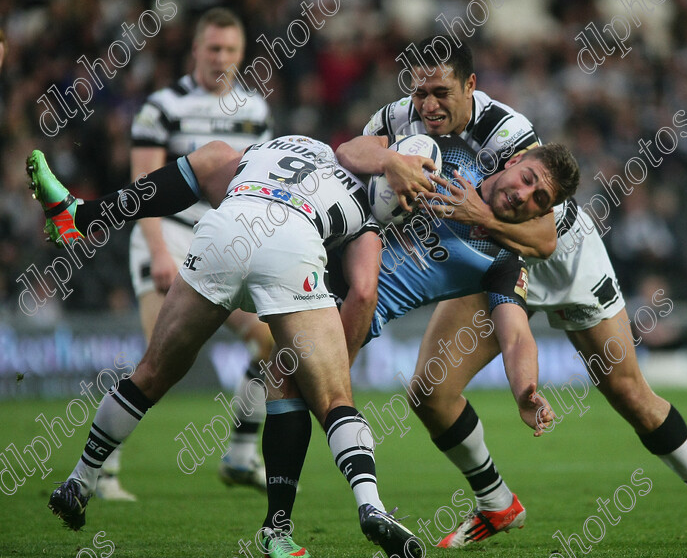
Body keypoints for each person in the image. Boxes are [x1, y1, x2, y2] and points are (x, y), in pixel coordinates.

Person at [358, 35, 687, 549]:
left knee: (626, 391)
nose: (430, 105)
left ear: (468, 87)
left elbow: (542, 238)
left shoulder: (508, 131)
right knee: (429, 392)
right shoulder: (401, 117)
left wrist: (480, 214)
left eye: (442, 94)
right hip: (492, 261)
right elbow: (356, 152)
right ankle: (497, 502)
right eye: (422, 92)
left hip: (563, 257)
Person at [31, 136, 423, 558]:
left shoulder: (292, 145)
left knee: (151, 373)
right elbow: (364, 293)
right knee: (331, 400)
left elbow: (209, 170)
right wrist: (339, 358)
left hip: (226, 228)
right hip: (291, 248)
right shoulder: (368, 217)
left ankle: (79, 480)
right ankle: (360, 509)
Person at [96, 7, 275, 501]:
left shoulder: (255, 110)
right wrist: (158, 251)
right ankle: (100, 470)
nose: (221, 58)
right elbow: (142, 187)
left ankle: (241, 453)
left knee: (274, 341)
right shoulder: (161, 106)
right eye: (213, 48)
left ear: (242, 55)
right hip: (170, 235)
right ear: (195, 49)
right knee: (161, 362)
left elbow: (257, 187)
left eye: (231, 51)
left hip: (226, 241)